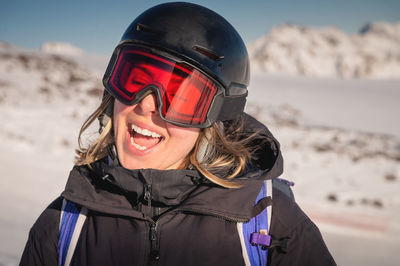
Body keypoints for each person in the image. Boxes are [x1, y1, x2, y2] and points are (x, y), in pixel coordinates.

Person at [20, 2, 336, 265]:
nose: (145, 104)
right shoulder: (64, 224)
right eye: (133, 79)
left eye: (182, 97)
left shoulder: (271, 225)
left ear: (216, 120)